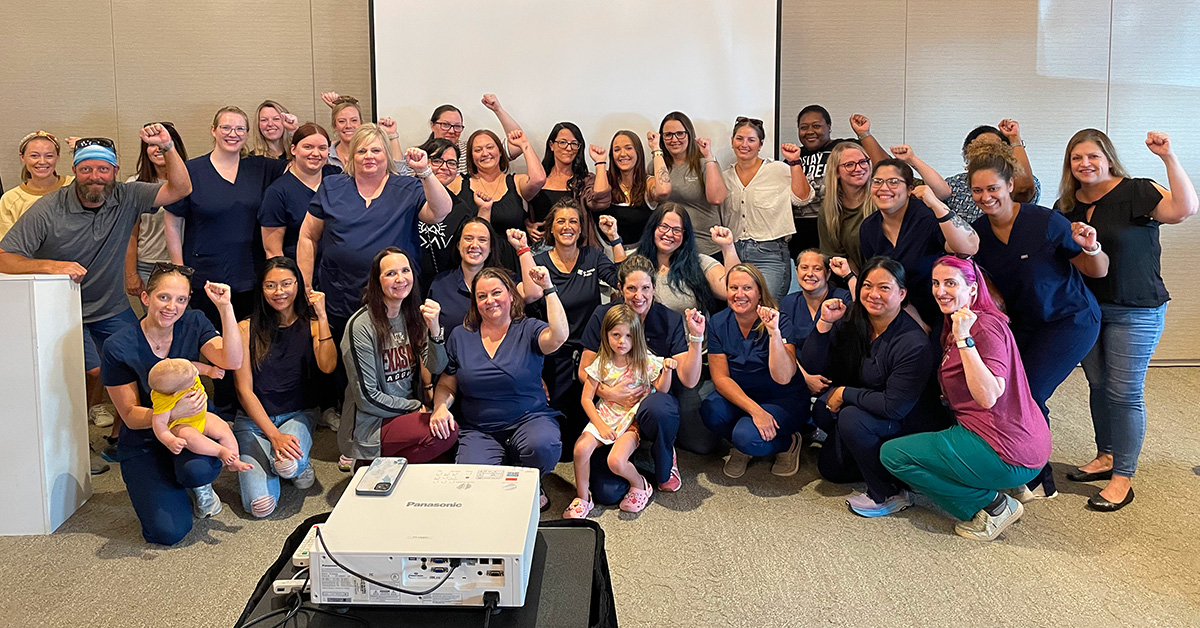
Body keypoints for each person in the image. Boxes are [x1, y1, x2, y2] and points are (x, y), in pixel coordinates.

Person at [0, 126, 191, 474]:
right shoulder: (48, 209)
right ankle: (77, 447)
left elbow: (180, 188)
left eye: (103, 169)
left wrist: (166, 147)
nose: (95, 176)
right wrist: (50, 266)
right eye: (86, 168)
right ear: (75, 170)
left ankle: (121, 438)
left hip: (112, 307)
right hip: (64, 311)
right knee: (97, 371)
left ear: (115, 171)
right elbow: (5, 257)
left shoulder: (128, 195)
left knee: (141, 366)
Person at [1056, 129, 1197, 511]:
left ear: (1108, 158)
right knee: (1099, 385)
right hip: (1087, 311)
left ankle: (1123, 477)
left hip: (1137, 309)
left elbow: (1184, 210)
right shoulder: (1065, 205)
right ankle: (1106, 457)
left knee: (1124, 392)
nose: (1085, 164)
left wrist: (1168, 157)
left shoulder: (1137, 191)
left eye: (1092, 156)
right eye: (1076, 158)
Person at [968, 139, 1105, 500]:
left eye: (993, 188)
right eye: (978, 190)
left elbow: (1097, 270)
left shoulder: (1046, 221)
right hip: (1025, 324)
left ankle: (1038, 478)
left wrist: (1092, 246)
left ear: (1010, 185)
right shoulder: (978, 234)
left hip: (1070, 320)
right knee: (1011, 392)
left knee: (1031, 393)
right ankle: (1021, 464)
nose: (986, 197)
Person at [881, 255, 1051, 541]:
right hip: (1023, 439)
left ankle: (994, 506)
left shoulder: (982, 328)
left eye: (950, 283)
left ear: (972, 288)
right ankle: (1006, 484)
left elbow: (988, 396)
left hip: (1006, 449)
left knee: (894, 456)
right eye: (936, 283)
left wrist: (964, 338)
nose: (940, 290)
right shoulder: (967, 319)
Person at [100, 266, 241, 544]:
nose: (172, 307)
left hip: (191, 427)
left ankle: (195, 483)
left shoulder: (194, 322)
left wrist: (226, 308)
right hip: (146, 437)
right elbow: (128, 415)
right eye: (164, 297)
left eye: (181, 299)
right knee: (168, 532)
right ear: (145, 297)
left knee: (197, 469)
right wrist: (172, 414)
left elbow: (232, 361)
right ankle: (167, 480)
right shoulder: (118, 346)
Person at [799, 257, 947, 517]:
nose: (874, 294)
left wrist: (845, 393)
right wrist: (824, 322)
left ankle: (888, 492)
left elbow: (895, 406)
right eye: (867, 286)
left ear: (902, 293)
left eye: (884, 288)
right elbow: (812, 364)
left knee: (851, 418)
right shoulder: (855, 321)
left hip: (908, 420)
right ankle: (890, 468)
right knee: (830, 465)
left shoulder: (913, 343)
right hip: (875, 407)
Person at [297, 123, 453, 349]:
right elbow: (308, 236)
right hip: (341, 296)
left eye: (376, 150)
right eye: (361, 151)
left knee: (395, 368)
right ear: (352, 156)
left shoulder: (407, 187)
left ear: (386, 155)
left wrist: (425, 171)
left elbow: (440, 212)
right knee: (344, 367)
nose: (368, 156)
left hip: (395, 299)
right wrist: (306, 285)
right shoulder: (332, 186)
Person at [431, 266, 568, 509]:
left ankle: (531, 478)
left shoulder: (528, 328)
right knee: (471, 485)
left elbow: (558, 336)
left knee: (543, 446)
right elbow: (446, 384)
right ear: (475, 302)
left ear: (511, 295)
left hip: (529, 419)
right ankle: (503, 470)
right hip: (479, 428)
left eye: (496, 293)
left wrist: (549, 288)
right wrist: (440, 407)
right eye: (482, 296)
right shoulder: (460, 336)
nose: (489, 301)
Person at [579, 255, 706, 500]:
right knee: (607, 493)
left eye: (646, 288)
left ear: (654, 288)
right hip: (613, 412)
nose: (639, 296)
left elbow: (689, 380)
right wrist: (608, 392)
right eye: (631, 288)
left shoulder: (668, 318)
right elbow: (584, 368)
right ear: (619, 289)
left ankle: (664, 458)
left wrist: (696, 338)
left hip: (650, 405)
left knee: (661, 408)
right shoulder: (604, 315)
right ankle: (628, 470)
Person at [232, 257, 336, 518]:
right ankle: (281, 459)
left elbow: (328, 366)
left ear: (298, 285)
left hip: (297, 413)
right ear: (261, 289)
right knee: (260, 507)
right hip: (254, 421)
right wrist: (273, 436)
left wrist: (321, 315)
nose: (279, 292)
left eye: (286, 283)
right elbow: (244, 391)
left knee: (287, 465)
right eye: (271, 286)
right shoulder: (245, 328)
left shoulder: (311, 323)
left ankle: (292, 464)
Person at [165, 106, 288, 325]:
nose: (233, 134)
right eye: (226, 127)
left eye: (240, 128)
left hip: (251, 276)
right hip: (205, 277)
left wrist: (291, 130)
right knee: (211, 344)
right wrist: (179, 273)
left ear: (248, 134)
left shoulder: (261, 168)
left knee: (249, 343)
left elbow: (303, 163)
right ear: (213, 130)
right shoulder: (191, 171)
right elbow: (173, 223)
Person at [340, 247, 457, 468]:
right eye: (390, 273)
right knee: (447, 433)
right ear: (377, 281)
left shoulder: (412, 315)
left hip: (403, 415)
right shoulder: (361, 326)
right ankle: (366, 463)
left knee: (445, 455)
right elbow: (367, 397)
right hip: (372, 421)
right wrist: (416, 407)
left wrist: (434, 331)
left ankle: (378, 467)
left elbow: (436, 365)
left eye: (405, 270)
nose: (400, 278)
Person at [566, 305, 676, 517]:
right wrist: (600, 425)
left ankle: (641, 485)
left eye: (627, 336)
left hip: (629, 422)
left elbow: (661, 389)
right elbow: (586, 399)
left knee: (616, 461)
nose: (621, 341)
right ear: (606, 334)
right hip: (605, 417)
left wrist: (668, 370)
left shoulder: (644, 361)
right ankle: (582, 497)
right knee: (580, 449)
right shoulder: (601, 363)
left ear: (636, 337)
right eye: (615, 335)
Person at [849, 154, 978, 330]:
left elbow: (968, 248)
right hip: (898, 312)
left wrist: (935, 203)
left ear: (910, 189)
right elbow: (881, 280)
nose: (883, 188)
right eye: (877, 181)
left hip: (943, 309)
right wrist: (917, 324)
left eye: (893, 182)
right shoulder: (869, 228)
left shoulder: (926, 217)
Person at [703, 264, 804, 478]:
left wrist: (774, 334)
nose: (739, 294)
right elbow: (720, 378)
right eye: (733, 288)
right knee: (710, 410)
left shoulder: (779, 321)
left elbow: (784, 377)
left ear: (759, 292)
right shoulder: (719, 323)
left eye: (747, 288)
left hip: (782, 398)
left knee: (748, 438)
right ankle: (745, 439)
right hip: (744, 397)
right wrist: (755, 411)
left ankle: (788, 443)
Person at [532, 200, 623, 438]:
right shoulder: (538, 264)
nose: (567, 226)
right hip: (553, 351)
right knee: (559, 417)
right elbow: (528, 314)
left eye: (573, 221)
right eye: (560, 221)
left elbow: (621, 282)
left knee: (590, 415)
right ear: (551, 228)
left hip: (591, 348)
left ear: (581, 229)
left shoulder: (592, 255)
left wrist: (614, 238)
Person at [721, 116, 812, 300]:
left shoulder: (778, 169)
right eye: (739, 138)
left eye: (751, 140)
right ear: (732, 141)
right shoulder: (724, 177)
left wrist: (794, 162)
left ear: (760, 144)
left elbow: (803, 198)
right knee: (739, 307)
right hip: (734, 253)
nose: (744, 144)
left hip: (770, 254)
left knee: (767, 309)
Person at [790, 107, 890, 258]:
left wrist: (864, 134)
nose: (810, 131)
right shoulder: (793, 157)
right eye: (803, 127)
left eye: (816, 126)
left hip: (841, 230)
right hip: (803, 238)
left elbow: (885, 166)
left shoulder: (845, 149)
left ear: (829, 127)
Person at [778, 249, 852, 439]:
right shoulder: (788, 302)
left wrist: (849, 275)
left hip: (839, 377)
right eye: (804, 267)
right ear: (796, 271)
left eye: (817, 268)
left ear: (828, 273)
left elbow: (864, 310)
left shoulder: (843, 298)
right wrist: (805, 377)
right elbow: (784, 347)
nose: (809, 273)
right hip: (800, 374)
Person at [427, 218, 542, 335]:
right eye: (468, 239)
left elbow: (534, 293)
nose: (474, 245)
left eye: (482, 240)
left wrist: (522, 248)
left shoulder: (504, 279)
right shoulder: (440, 284)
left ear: (491, 247)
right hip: (452, 352)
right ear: (458, 244)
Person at [459, 128, 546, 267]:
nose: (485, 153)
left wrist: (524, 145)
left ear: (500, 151)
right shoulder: (459, 183)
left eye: (490, 147)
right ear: (471, 157)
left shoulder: (516, 182)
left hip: (512, 262)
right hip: (474, 262)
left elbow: (539, 179)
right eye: (478, 150)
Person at [149, 358, 252, 471]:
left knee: (223, 427)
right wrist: (169, 440)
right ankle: (221, 451)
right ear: (175, 393)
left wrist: (209, 371)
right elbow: (159, 424)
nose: (196, 372)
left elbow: (194, 366)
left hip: (201, 416)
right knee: (189, 436)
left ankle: (234, 461)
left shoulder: (185, 371)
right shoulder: (164, 399)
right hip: (180, 424)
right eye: (193, 375)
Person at [650, 111, 727, 256]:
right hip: (670, 247)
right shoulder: (656, 164)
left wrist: (709, 157)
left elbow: (716, 198)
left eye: (680, 133)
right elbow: (656, 198)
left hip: (705, 248)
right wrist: (656, 150)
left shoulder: (704, 163)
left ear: (689, 134)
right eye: (668, 134)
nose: (674, 139)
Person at [259, 123, 341, 259]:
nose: (315, 153)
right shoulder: (277, 193)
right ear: (293, 150)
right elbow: (273, 252)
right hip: (299, 274)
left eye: (322, 148)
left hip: (337, 273)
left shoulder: (337, 178)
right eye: (308, 147)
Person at [126, 122, 190, 294]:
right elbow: (130, 234)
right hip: (148, 266)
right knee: (160, 319)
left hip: (188, 264)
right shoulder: (135, 186)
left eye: (163, 143)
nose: (158, 149)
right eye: (152, 144)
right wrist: (131, 274)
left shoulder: (191, 183)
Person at [528, 122, 611, 245]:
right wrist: (528, 225)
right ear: (551, 145)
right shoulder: (538, 179)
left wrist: (600, 162)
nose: (569, 148)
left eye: (574, 144)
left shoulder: (585, 180)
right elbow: (520, 209)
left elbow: (600, 203)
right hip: (541, 250)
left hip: (577, 250)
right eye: (562, 142)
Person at [944, 121, 1040, 222]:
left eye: (995, 147)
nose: (988, 151)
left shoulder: (1021, 181)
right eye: (981, 146)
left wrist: (1014, 138)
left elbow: (1024, 190)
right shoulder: (954, 184)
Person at [416, 137, 474, 287]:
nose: (444, 167)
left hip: (442, 286)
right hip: (403, 282)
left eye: (451, 163)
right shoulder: (407, 195)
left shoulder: (461, 208)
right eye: (436, 160)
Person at [0, 131, 73, 239]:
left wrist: (88, 149)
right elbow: (6, 248)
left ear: (57, 157)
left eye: (49, 156)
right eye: (34, 156)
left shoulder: (74, 185)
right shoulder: (10, 199)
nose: (42, 161)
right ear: (22, 157)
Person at [817, 142, 873, 272]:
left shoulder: (882, 197)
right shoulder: (828, 211)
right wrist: (858, 285)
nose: (858, 168)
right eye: (849, 165)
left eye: (863, 162)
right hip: (855, 281)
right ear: (836, 171)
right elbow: (840, 258)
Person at [602, 130, 665, 247]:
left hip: (640, 255)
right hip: (607, 255)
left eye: (628, 148)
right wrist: (600, 163)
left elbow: (663, 192)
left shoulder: (648, 183)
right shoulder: (605, 180)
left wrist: (656, 149)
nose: (622, 154)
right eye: (616, 150)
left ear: (638, 152)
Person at [324, 94, 362, 169]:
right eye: (342, 121)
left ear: (361, 123)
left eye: (354, 120)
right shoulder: (325, 155)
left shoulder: (370, 154)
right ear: (335, 125)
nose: (348, 125)